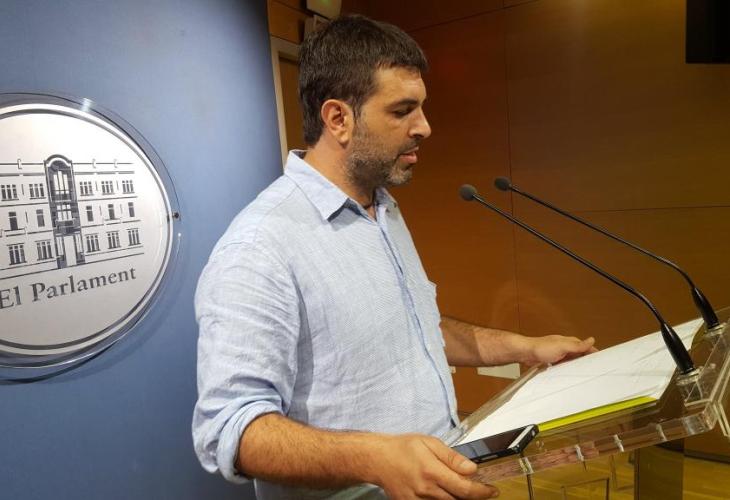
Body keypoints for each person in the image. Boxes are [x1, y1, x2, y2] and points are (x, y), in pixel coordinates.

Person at [192, 14, 596, 500]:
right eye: (403, 110)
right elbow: (231, 430)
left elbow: (419, 331)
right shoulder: (259, 246)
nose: (424, 127)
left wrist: (527, 348)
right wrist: (374, 458)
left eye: (421, 108)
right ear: (338, 119)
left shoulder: (382, 209)